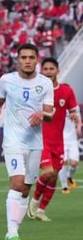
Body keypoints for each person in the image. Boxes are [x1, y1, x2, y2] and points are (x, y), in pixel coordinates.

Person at [0, 43, 54, 240]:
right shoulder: (7, 80)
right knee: (17, 183)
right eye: (23, 57)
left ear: (37, 60)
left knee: (26, 188)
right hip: (13, 141)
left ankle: (15, 227)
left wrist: (42, 114)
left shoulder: (45, 83)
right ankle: (11, 233)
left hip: (35, 143)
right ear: (18, 59)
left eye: (31, 57)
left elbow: (50, 113)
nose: (27, 61)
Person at [27, 58, 80, 221]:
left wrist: (74, 116)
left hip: (59, 141)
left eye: (52, 68)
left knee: (54, 176)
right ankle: (34, 202)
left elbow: (74, 111)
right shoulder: (36, 91)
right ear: (41, 72)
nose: (49, 71)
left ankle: (41, 210)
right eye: (46, 69)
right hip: (41, 140)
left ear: (58, 71)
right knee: (48, 172)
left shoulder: (66, 91)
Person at [59, 114, 81, 193]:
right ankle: (64, 186)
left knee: (74, 163)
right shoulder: (59, 106)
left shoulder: (74, 107)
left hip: (73, 140)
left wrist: (78, 128)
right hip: (61, 139)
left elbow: (78, 120)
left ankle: (69, 176)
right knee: (63, 162)